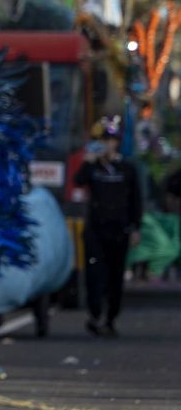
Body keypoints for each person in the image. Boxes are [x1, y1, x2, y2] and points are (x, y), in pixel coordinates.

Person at [75, 118, 143, 338]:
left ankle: (111, 317)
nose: (107, 144)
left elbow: (136, 201)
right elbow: (78, 181)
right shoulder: (93, 167)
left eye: (111, 140)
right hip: (96, 230)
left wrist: (135, 228)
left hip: (119, 230)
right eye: (103, 140)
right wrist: (88, 161)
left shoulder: (127, 168)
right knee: (95, 274)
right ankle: (95, 315)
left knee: (115, 276)